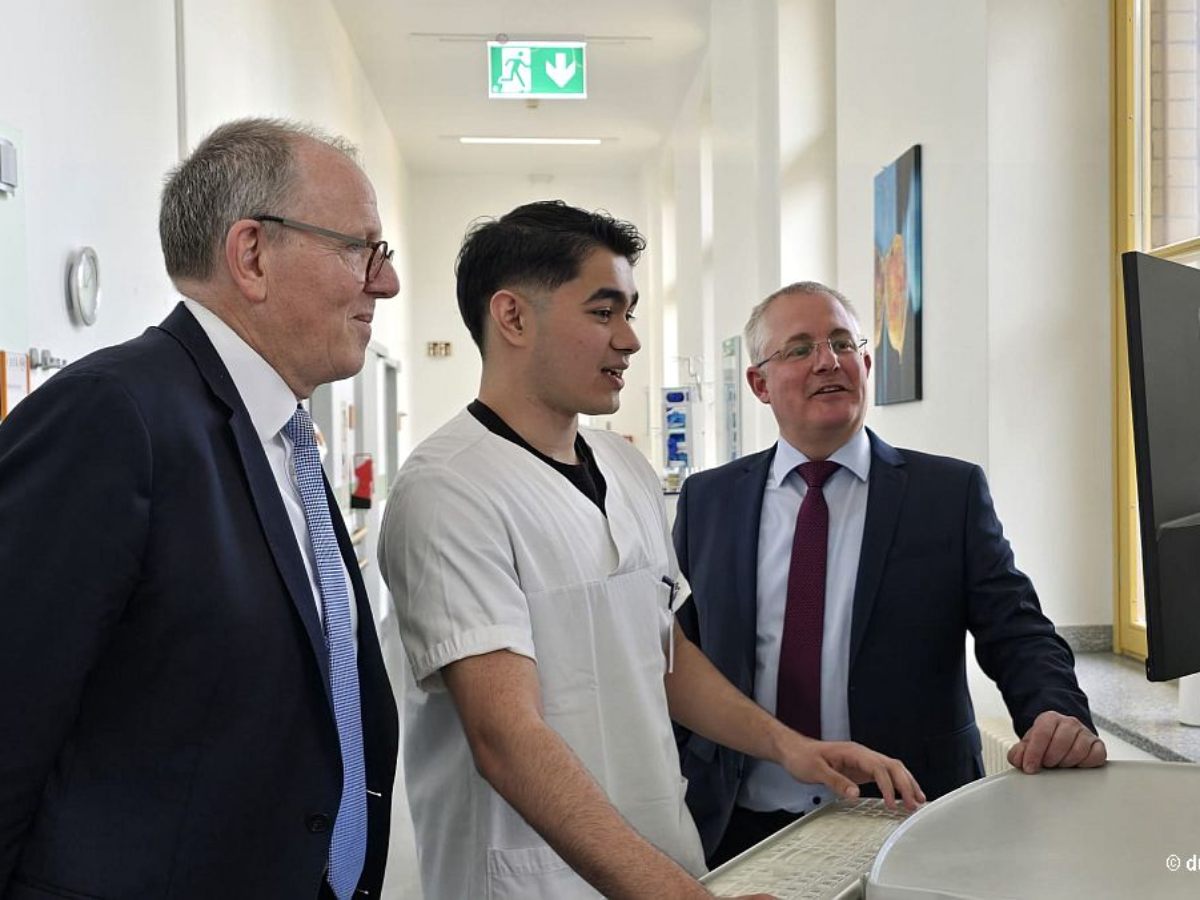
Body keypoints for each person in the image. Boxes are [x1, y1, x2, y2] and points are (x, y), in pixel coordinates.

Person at [378, 203, 923, 900]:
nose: (630, 339)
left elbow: (661, 654)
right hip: (534, 879)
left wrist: (791, 747)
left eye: (631, 311)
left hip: (663, 854)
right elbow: (505, 739)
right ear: (512, 317)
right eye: (604, 312)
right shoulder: (450, 489)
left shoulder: (625, 469)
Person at [0, 118, 401, 899]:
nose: (383, 283)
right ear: (252, 254)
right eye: (362, 249)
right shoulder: (115, 416)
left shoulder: (284, 437)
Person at [674, 280, 1106, 865]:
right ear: (759, 383)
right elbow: (680, 654)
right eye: (799, 349)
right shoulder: (708, 501)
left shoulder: (945, 494)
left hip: (912, 815)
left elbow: (1017, 629)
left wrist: (1056, 711)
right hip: (738, 824)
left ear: (866, 363)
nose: (827, 361)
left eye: (842, 343)